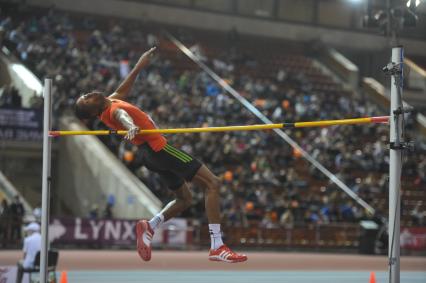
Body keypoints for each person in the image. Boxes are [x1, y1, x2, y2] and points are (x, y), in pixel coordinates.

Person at [75, 47, 247, 263]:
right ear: (92, 112)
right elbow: (123, 115)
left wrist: (139, 65)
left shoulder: (110, 101)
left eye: (87, 94)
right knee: (213, 183)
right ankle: (217, 245)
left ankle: (151, 226)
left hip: (150, 156)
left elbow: (123, 89)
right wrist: (130, 127)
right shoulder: (111, 111)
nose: (89, 94)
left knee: (184, 199)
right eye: (86, 100)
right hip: (160, 149)